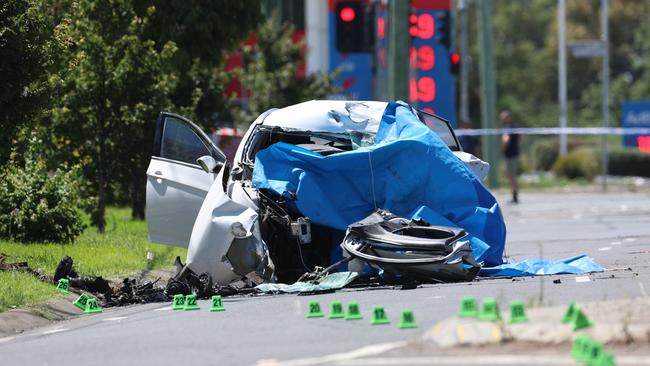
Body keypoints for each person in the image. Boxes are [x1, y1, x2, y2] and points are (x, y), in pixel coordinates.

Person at [500, 111, 520, 203]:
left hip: (510, 154)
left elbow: (505, 139)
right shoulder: (514, 126)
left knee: (511, 176)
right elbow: (520, 138)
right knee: (513, 175)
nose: (501, 120)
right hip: (515, 153)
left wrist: (503, 149)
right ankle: (514, 194)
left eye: (503, 118)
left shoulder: (507, 127)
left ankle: (514, 195)